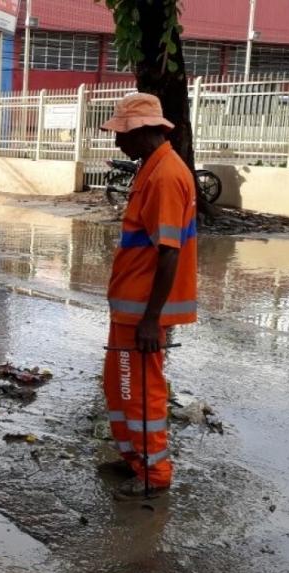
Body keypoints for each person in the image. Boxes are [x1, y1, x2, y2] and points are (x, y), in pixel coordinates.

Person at [97, 93, 198, 502]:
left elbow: (169, 251)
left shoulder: (165, 176)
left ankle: (153, 475)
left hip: (142, 312)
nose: (118, 144)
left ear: (143, 131)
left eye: (123, 135)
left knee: (138, 392)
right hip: (131, 308)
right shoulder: (151, 169)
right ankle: (135, 459)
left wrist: (151, 319)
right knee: (121, 388)